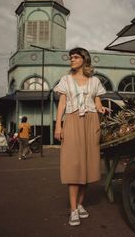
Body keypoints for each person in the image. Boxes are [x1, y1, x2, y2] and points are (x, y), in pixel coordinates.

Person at [54, 47, 106, 226]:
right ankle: (73, 209)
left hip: (92, 122)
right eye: (70, 58)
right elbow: (61, 104)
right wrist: (58, 125)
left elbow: (97, 102)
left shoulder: (95, 81)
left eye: (75, 57)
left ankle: (80, 204)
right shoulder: (65, 80)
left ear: (84, 59)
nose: (72, 60)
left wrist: (101, 108)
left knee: (89, 164)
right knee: (74, 164)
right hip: (73, 120)